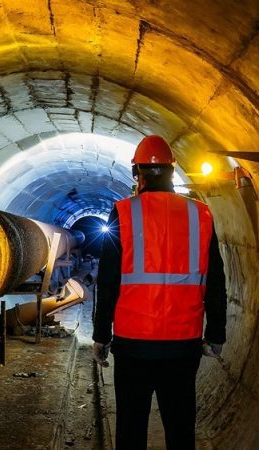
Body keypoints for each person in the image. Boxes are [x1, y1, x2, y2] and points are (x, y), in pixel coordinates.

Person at [92, 135, 227, 450]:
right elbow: (216, 281)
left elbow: (108, 281)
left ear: (136, 172)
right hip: (183, 346)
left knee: (130, 429)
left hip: (132, 345)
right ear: (172, 170)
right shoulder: (200, 214)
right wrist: (216, 334)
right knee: (181, 430)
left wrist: (101, 335)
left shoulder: (124, 212)